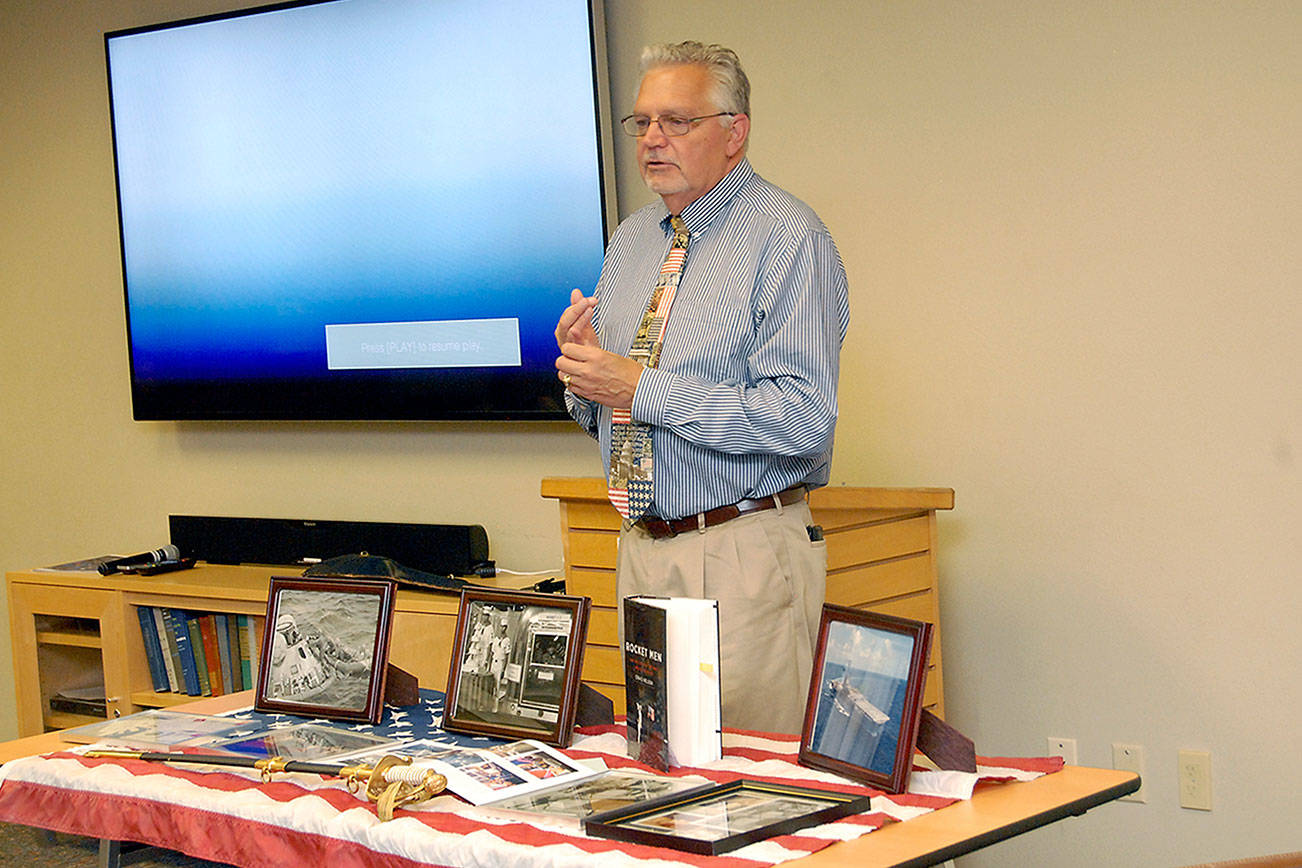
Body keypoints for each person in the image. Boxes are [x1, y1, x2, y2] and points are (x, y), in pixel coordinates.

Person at [554, 41, 849, 734]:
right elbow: (620, 408)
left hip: (741, 546)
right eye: (642, 123)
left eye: (676, 122)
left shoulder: (787, 237)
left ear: (734, 132)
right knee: (660, 779)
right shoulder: (631, 242)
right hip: (640, 545)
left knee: (755, 787)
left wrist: (640, 388)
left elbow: (805, 419)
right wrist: (585, 374)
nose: (653, 139)